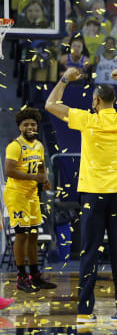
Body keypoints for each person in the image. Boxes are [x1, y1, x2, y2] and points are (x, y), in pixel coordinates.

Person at [45, 66, 117, 324]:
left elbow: (50, 104)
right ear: (113, 102)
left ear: (95, 101)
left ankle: (84, 312)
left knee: (89, 251)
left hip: (93, 194)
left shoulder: (87, 119)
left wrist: (64, 79)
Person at [3, 107, 55, 294]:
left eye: (33, 124)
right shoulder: (15, 145)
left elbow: (41, 166)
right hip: (16, 194)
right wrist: (34, 177)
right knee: (22, 234)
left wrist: (45, 179)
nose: (30, 127)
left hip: (32, 194)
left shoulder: (39, 145)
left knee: (33, 234)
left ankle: (35, 275)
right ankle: (21, 276)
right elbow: (8, 171)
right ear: (20, 128)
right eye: (26, 124)